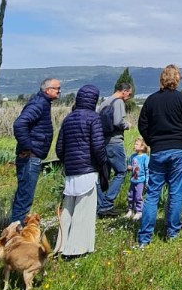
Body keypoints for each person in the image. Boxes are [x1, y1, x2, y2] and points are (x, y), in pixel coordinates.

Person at [136, 65, 182, 246]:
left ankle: (145, 236)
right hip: (178, 149)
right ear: (177, 79)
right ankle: (172, 232)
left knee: (153, 193)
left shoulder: (151, 100)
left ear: (162, 79)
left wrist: (151, 141)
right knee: (176, 192)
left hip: (158, 150)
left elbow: (143, 124)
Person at [54, 84, 108, 259]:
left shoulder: (68, 119)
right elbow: (98, 146)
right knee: (83, 210)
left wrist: (67, 161)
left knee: (67, 210)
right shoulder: (94, 118)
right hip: (88, 169)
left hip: (71, 170)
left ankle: (60, 246)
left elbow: (59, 149)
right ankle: (76, 248)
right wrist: (103, 164)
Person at [11, 76, 61, 222]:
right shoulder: (39, 104)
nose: (59, 92)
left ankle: (16, 233)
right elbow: (19, 124)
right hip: (30, 157)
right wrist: (28, 147)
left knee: (24, 196)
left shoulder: (43, 103)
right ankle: (16, 236)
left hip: (32, 156)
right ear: (47, 90)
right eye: (57, 89)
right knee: (24, 198)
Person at [96, 82, 133, 216]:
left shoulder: (104, 103)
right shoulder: (118, 102)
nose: (129, 97)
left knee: (104, 175)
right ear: (124, 91)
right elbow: (118, 121)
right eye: (129, 94)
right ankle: (107, 204)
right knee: (121, 171)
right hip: (115, 142)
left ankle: (100, 205)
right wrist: (127, 125)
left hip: (102, 142)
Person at [125, 138, 150, 220]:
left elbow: (147, 170)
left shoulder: (145, 157)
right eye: (134, 144)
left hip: (140, 180)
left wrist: (147, 182)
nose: (134, 146)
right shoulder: (132, 156)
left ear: (143, 147)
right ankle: (130, 210)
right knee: (130, 195)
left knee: (138, 196)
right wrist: (129, 168)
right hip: (133, 180)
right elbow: (131, 167)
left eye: (137, 144)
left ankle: (139, 211)